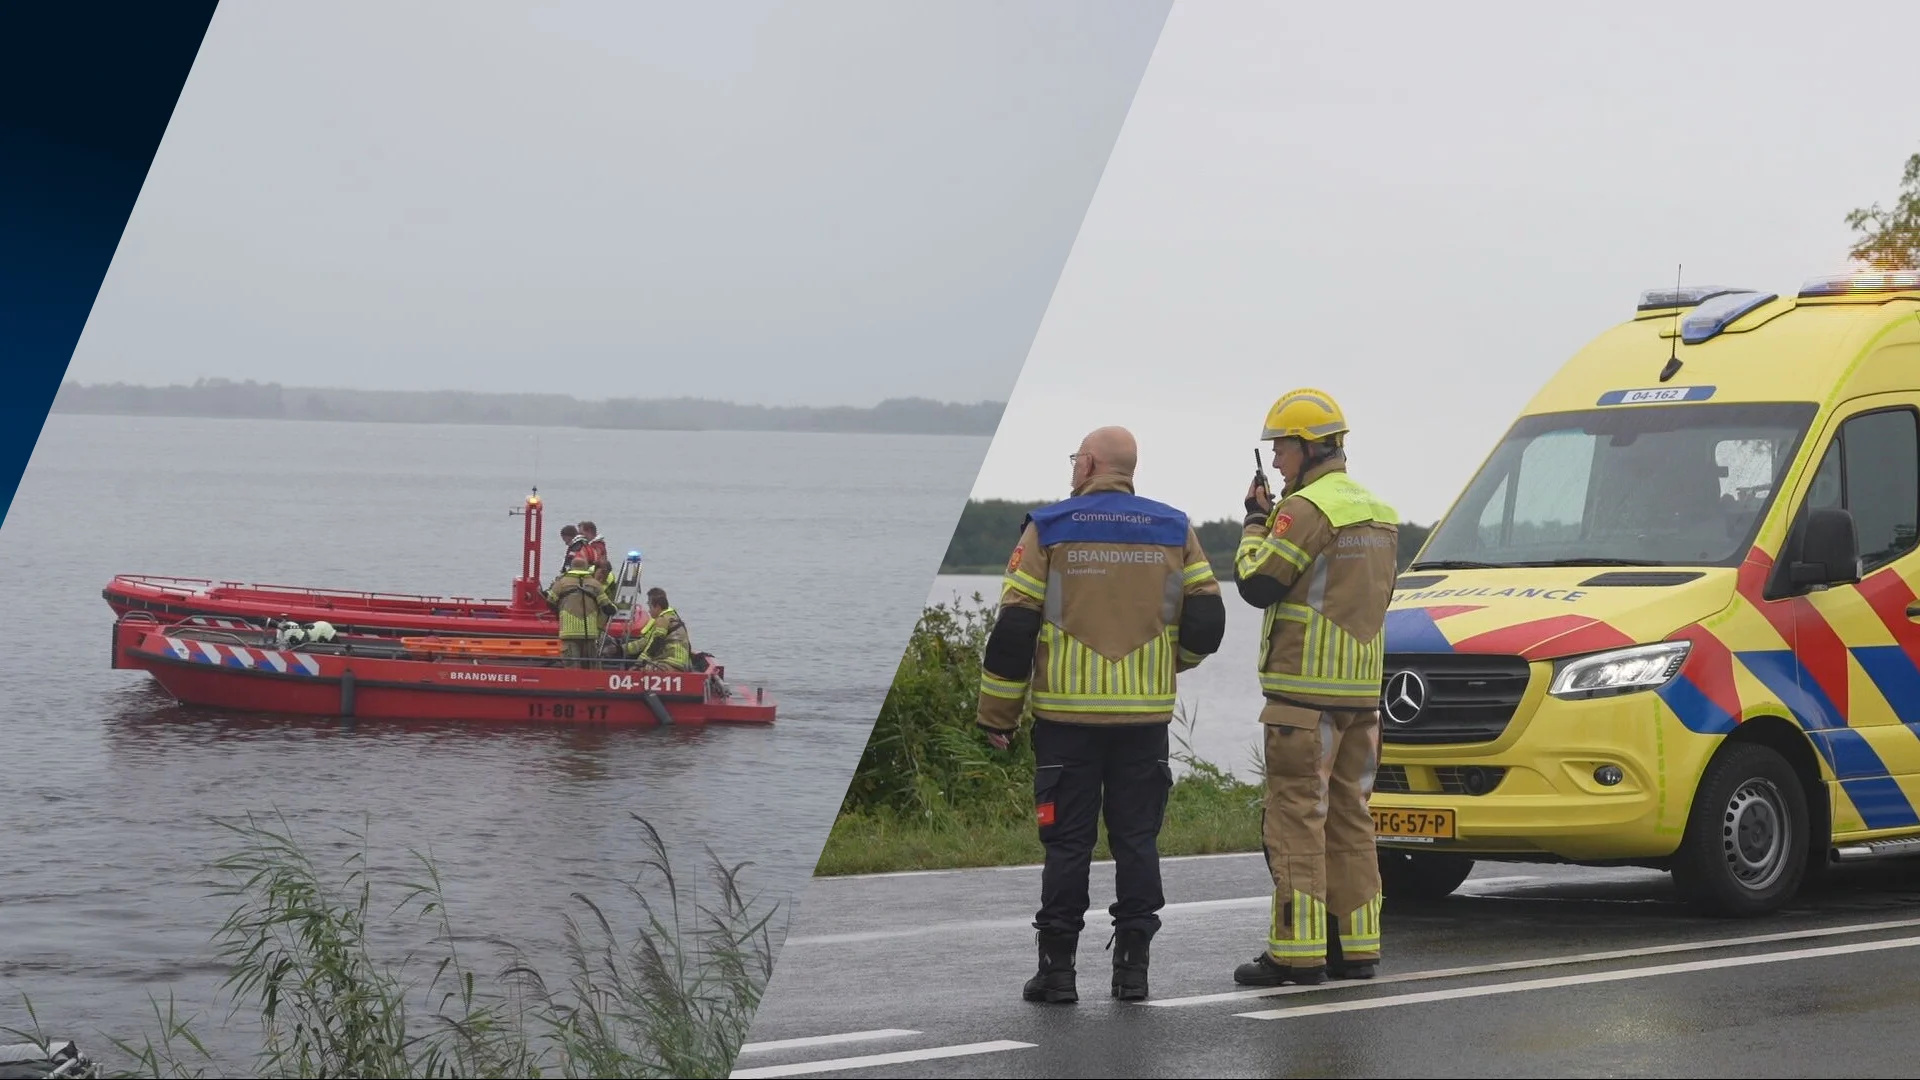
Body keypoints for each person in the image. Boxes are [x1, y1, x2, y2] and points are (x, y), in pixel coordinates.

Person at [975, 425, 1226, 1005]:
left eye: (1074, 459)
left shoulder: (1050, 528)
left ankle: (1057, 972)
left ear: (1087, 463)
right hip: (1144, 721)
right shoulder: (1174, 528)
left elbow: (1014, 628)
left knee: (1067, 845)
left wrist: (998, 716)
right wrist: (1169, 662)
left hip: (1068, 721)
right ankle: (1133, 971)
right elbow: (1209, 622)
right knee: (1137, 841)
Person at [1231, 388, 1399, 987]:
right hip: (1361, 698)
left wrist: (1255, 520)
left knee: (1296, 818)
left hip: (1303, 698)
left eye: (1281, 448)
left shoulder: (1303, 511)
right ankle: (1357, 949)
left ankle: (1296, 954)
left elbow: (1257, 582)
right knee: (1352, 818)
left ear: (1308, 447)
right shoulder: (1379, 513)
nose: (1276, 462)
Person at [544, 555, 615, 668]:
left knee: (572, 670)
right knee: (592, 670)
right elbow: (609, 608)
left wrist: (560, 613)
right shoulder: (595, 584)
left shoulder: (561, 583)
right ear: (587, 567)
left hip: (569, 633)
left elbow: (550, 601)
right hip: (590, 635)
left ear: (572, 567)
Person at [622, 587, 693, 671]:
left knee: (636, 671)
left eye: (650, 606)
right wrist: (622, 649)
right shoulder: (671, 616)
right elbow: (646, 641)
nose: (649, 610)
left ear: (658, 607)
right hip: (681, 663)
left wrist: (639, 664)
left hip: (671, 663)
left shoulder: (662, 620)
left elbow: (656, 643)